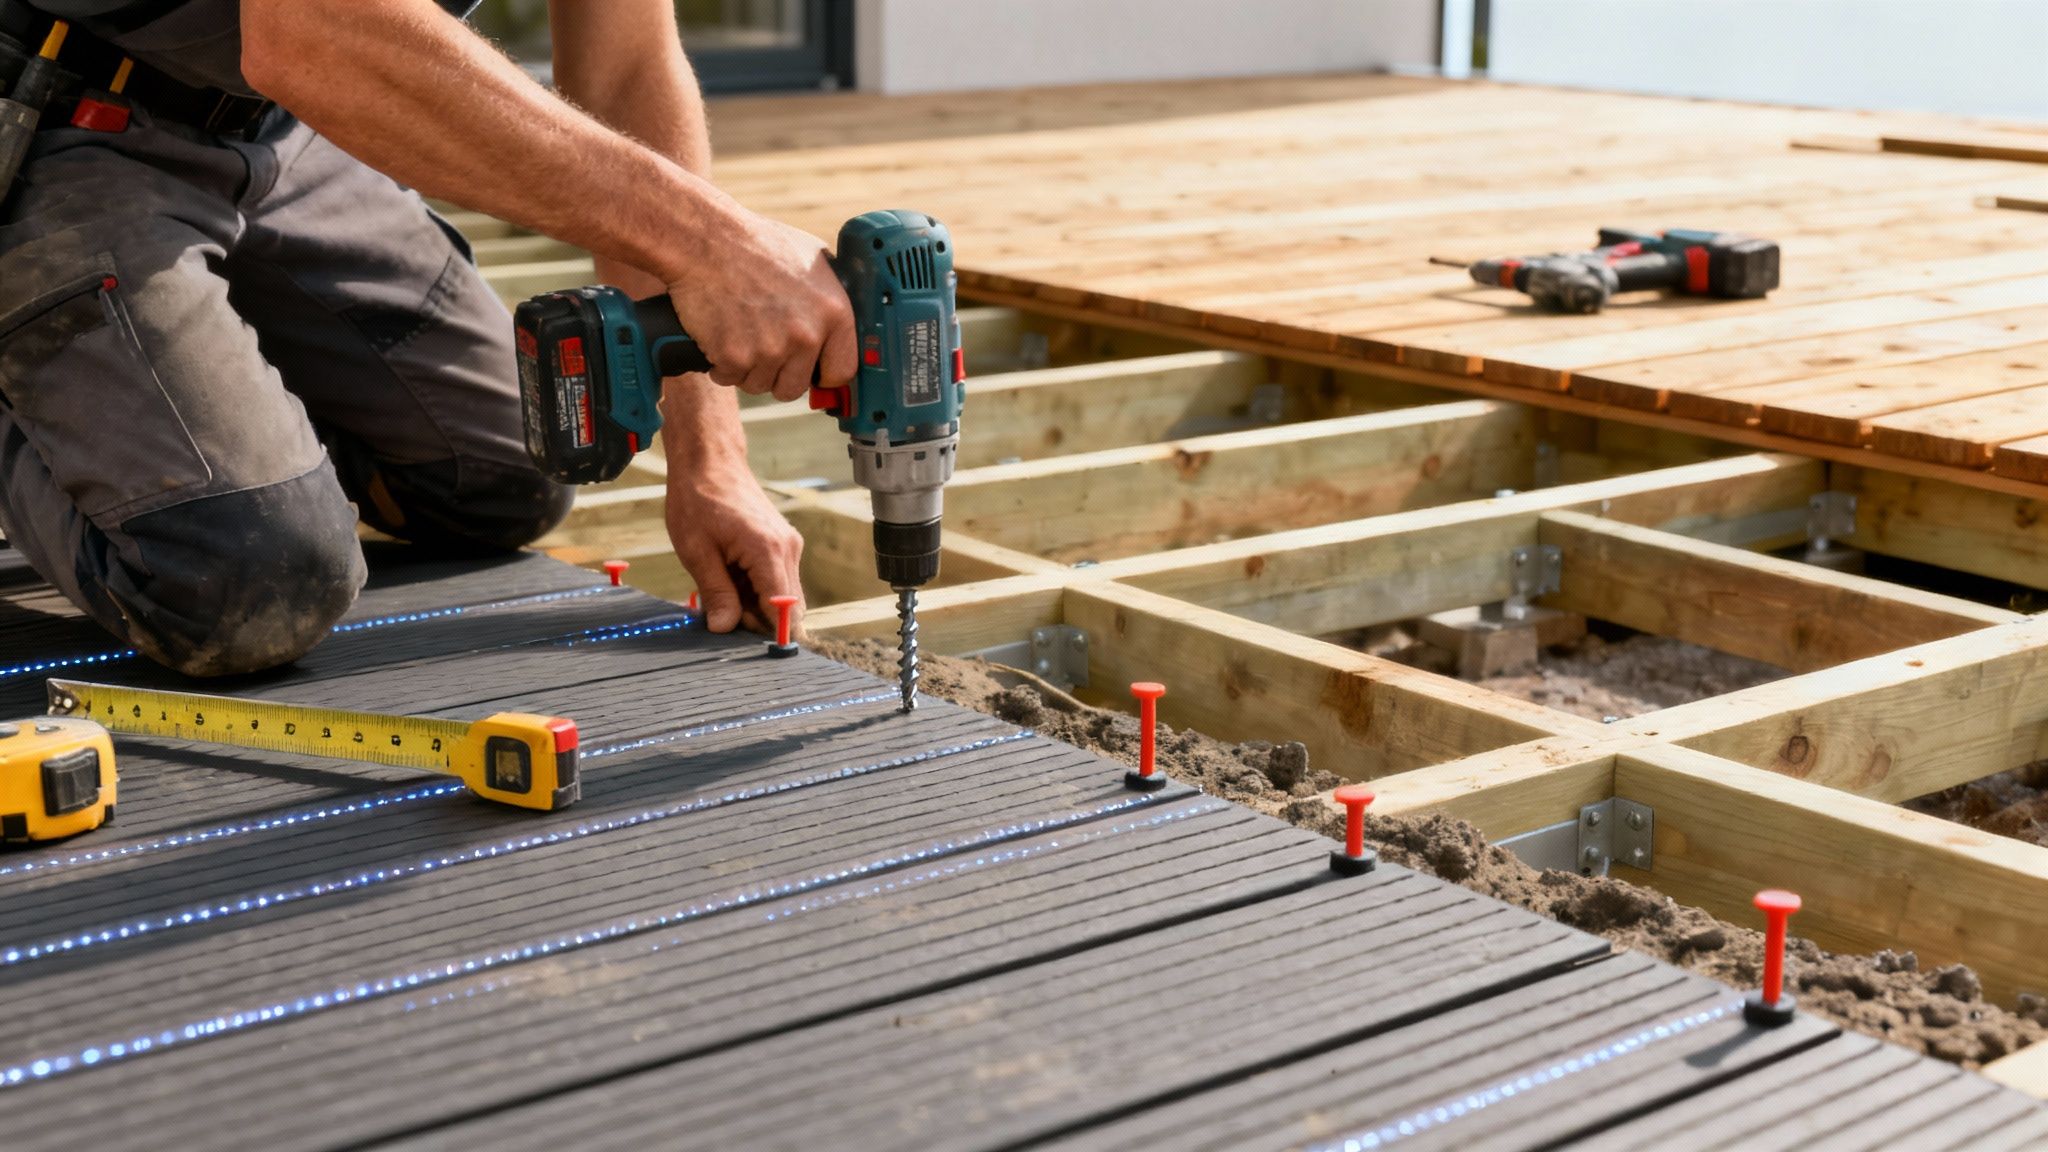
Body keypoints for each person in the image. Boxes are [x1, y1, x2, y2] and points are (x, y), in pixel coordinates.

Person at [0, 0, 852, 675]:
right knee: (240, 581)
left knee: (515, 468)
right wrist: (710, 241)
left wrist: (711, 460)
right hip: (53, 100)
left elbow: (628, 67)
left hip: (276, 129)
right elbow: (310, 31)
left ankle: (162, 371)